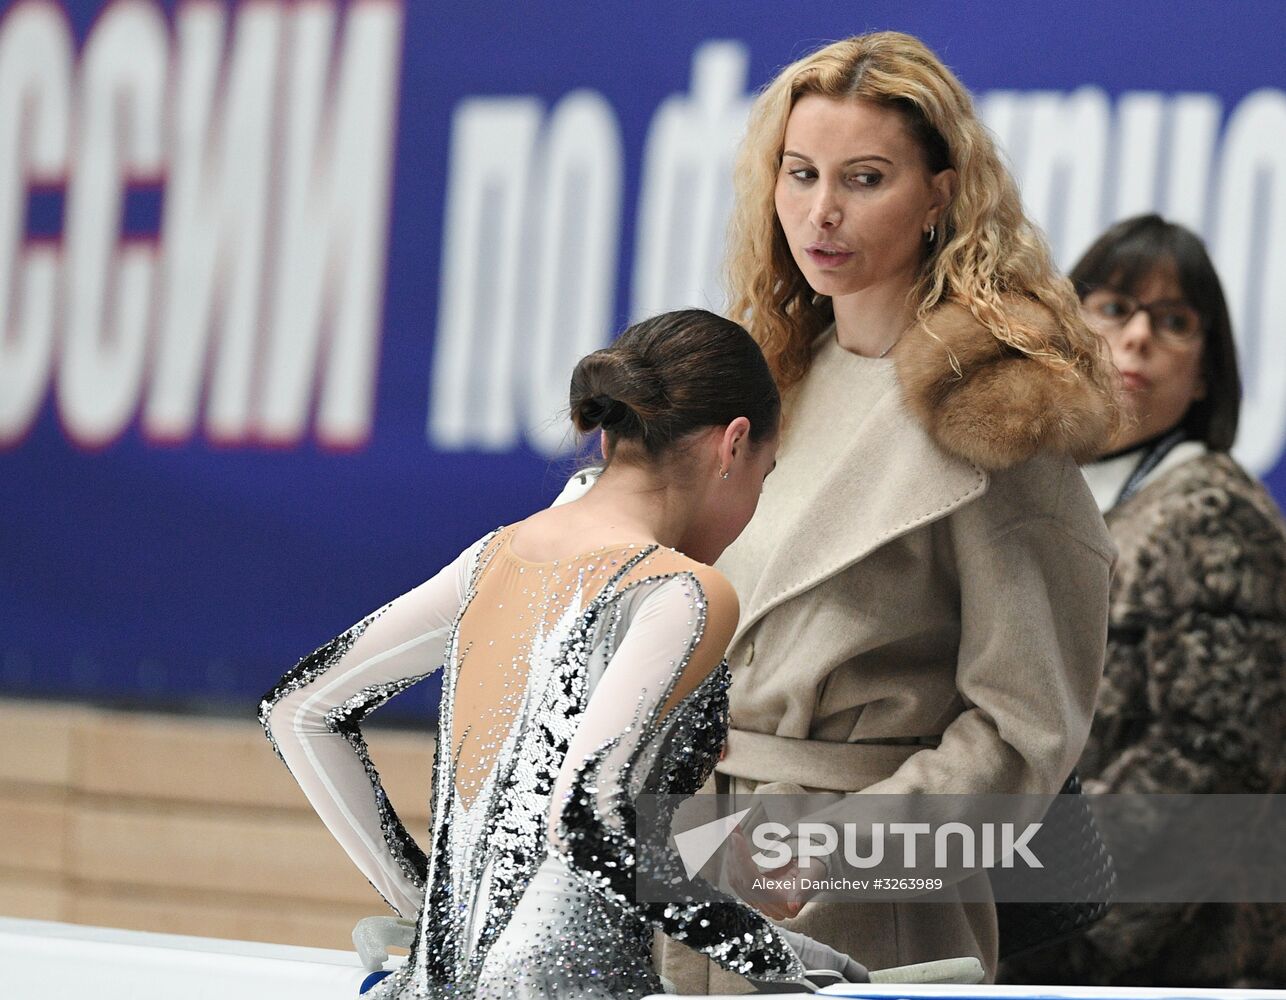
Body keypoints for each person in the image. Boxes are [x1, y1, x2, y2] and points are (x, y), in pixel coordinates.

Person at [647, 31, 1120, 991]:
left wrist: (835, 853)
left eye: (864, 179)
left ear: (941, 194)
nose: (821, 212)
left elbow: (1026, 730)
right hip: (700, 858)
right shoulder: (768, 376)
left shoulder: (995, 409)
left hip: (868, 900)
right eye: (800, 174)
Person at [258, 309, 879, 999]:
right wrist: (773, 956)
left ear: (611, 434)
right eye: (766, 474)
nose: (754, 505)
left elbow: (298, 711)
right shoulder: (685, 590)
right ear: (733, 446)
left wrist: (430, 906)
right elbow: (586, 822)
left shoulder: (491, 557)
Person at [1004, 215, 1286, 987]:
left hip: (1165, 966)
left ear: (1205, 374)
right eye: (1114, 308)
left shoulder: (1212, 514)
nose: (1137, 338)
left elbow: (1213, 760)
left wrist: (1055, 922)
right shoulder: (1043, 487)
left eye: (1174, 322)